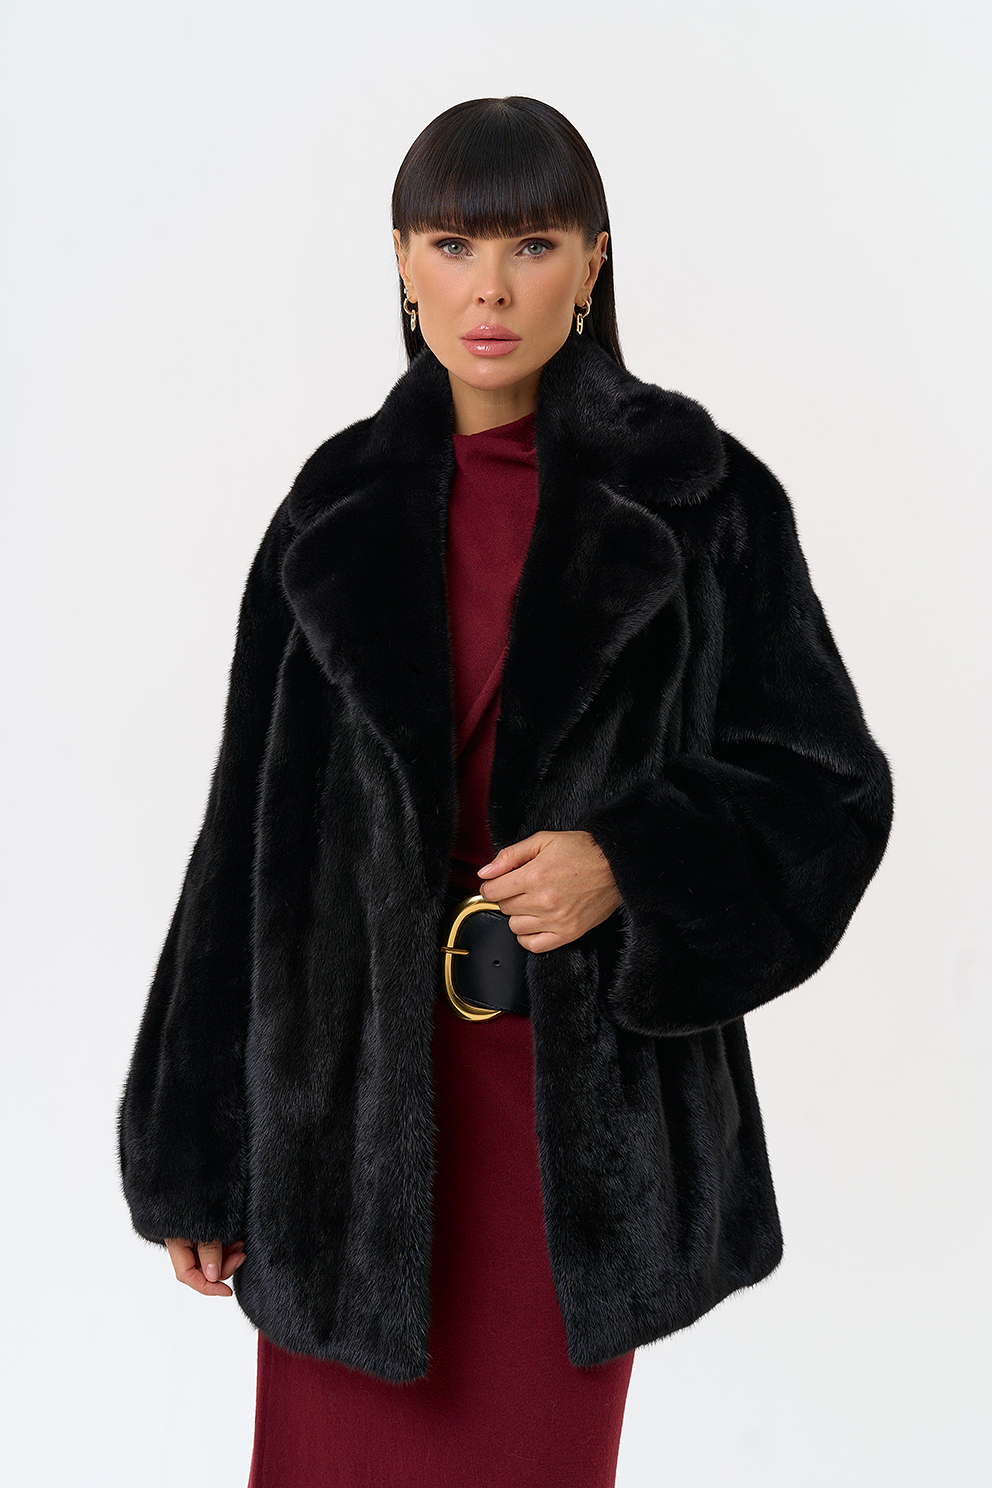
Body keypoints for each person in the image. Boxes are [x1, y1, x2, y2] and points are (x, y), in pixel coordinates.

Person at [118, 96, 893, 1487]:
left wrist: (631, 861)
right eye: (453, 244)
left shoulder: (702, 500)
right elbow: (243, 844)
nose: (490, 288)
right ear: (402, 262)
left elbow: (828, 793)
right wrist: (199, 1152)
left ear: (592, 262)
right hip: (341, 1137)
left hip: (568, 1136)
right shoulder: (331, 508)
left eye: (531, 245)